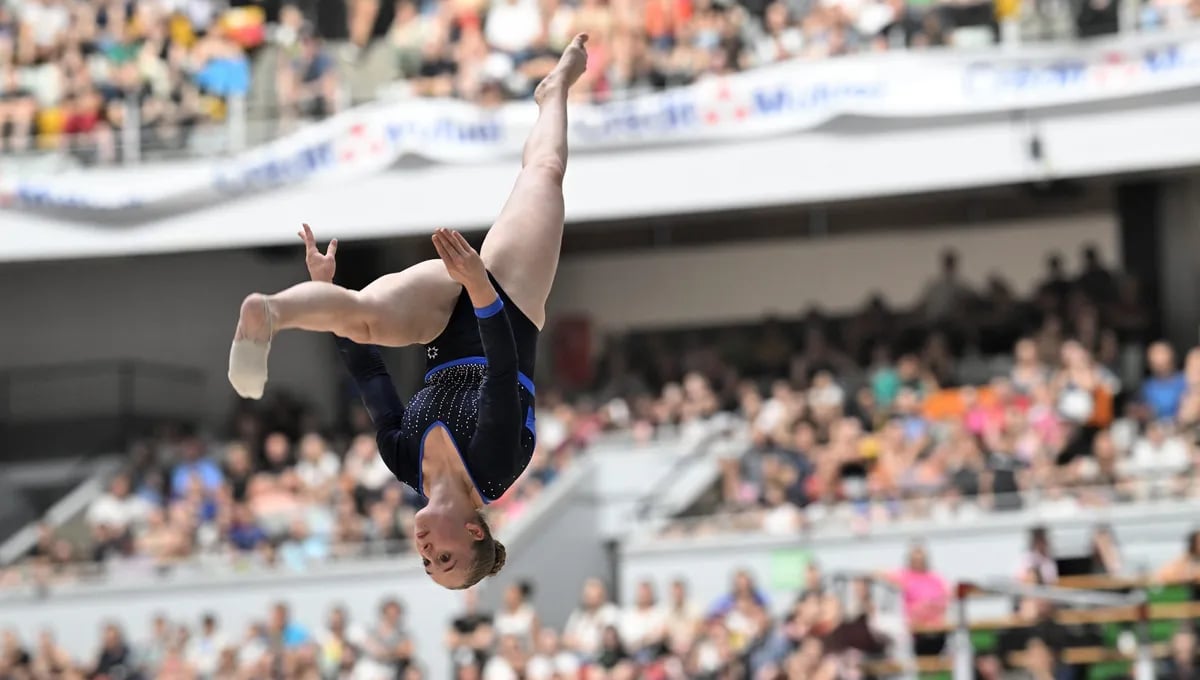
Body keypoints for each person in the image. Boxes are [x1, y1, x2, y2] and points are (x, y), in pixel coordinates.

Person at [227, 35, 589, 590]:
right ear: (473, 532)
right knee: (544, 171)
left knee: (361, 315)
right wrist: (479, 284)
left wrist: (326, 295)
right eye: (444, 558)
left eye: (426, 564)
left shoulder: (403, 461)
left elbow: (369, 373)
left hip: (440, 326)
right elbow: (501, 369)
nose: (426, 552)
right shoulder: (495, 467)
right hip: (508, 306)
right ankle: (555, 89)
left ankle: (269, 313)